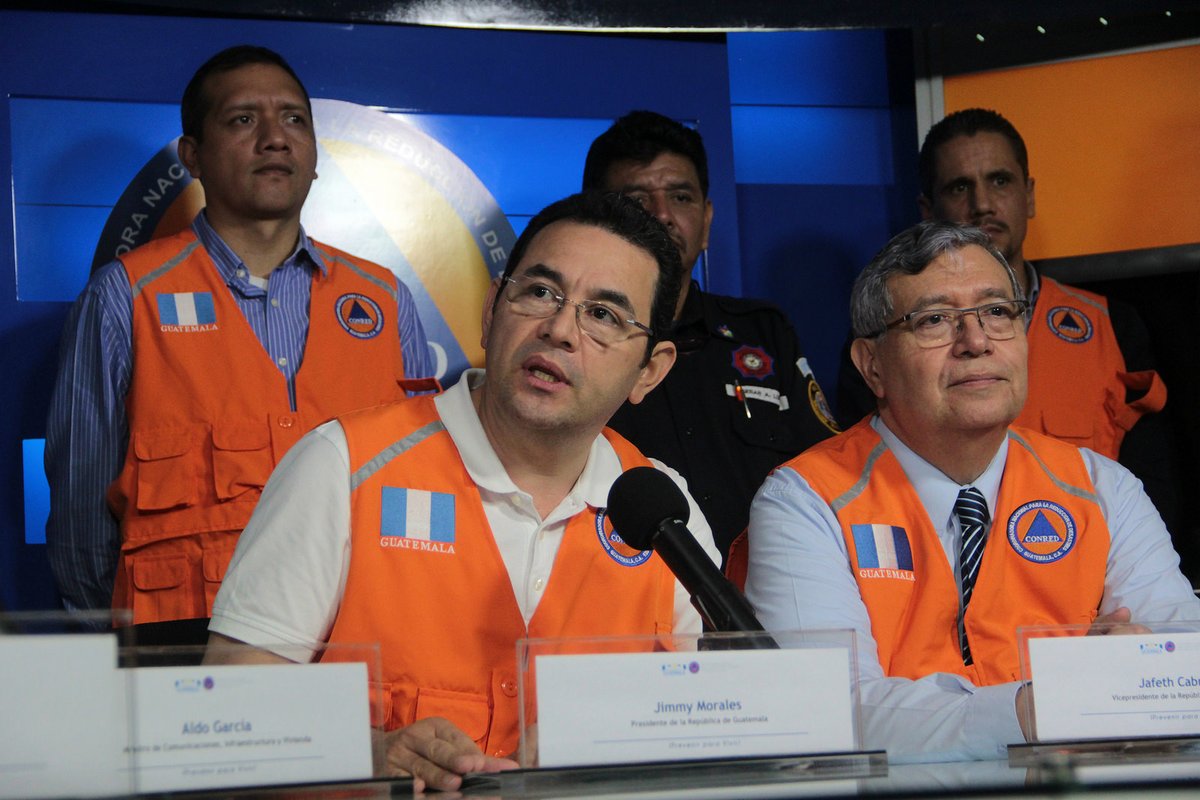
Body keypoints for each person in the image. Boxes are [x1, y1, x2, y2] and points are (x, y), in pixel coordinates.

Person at [203, 192, 721, 791]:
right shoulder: (343, 466)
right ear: (490, 310)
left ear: (650, 371)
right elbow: (229, 713)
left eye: (604, 315)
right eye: (539, 294)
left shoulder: (662, 507)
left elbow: (710, 733)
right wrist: (369, 753)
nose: (559, 330)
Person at [747, 220, 1200, 762]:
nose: (977, 342)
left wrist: (1141, 681)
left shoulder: (1102, 486)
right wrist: (1043, 708)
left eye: (997, 312)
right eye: (935, 320)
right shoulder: (804, 501)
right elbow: (825, 711)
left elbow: (1182, 671)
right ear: (872, 367)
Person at [44, 45, 434, 630]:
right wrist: (109, 659)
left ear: (316, 155)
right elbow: (81, 513)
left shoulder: (384, 300)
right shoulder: (125, 297)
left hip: (358, 643)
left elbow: (419, 486)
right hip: (182, 654)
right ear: (192, 156)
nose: (276, 138)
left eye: (295, 119)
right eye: (243, 119)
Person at [837, 108, 1174, 532]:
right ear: (928, 208)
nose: (981, 204)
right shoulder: (888, 334)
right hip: (936, 565)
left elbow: (1157, 482)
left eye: (1000, 181)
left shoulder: (1113, 325)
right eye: (960, 187)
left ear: (1028, 195)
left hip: (1093, 567)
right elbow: (863, 469)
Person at [582, 110, 838, 562]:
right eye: (638, 199)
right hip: (619, 602)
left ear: (707, 218)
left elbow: (830, 476)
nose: (662, 215)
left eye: (681, 197)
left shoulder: (763, 332)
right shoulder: (573, 338)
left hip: (764, 601)